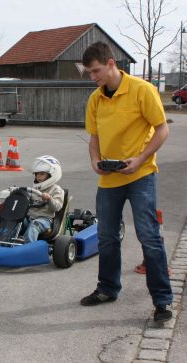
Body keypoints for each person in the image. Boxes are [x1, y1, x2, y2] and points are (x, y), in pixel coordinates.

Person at [80, 41, 173, 323]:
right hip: (109, 179)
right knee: (107, 236)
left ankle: (162, 301)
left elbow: (162, 128)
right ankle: (108, 288)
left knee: (148, 235)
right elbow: (94, 139)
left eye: (96, 71)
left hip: (141, 174)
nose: (93, 77)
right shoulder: (95, 99)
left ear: (111, 64)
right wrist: (95, 162)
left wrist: (141, 158)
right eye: (89, 73)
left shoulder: (142, 90)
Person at [23, 155, 64, 242]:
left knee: (34, 225)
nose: (38, 176)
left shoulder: (57, 190)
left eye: (41, 174)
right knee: (15, 220)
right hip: (29, 217)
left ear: (51, 175)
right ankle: (5, 243)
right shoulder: (34, 189)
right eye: (37, 174)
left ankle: (29, 249)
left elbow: (57, 207)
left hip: (44, 219)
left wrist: (49, 199)